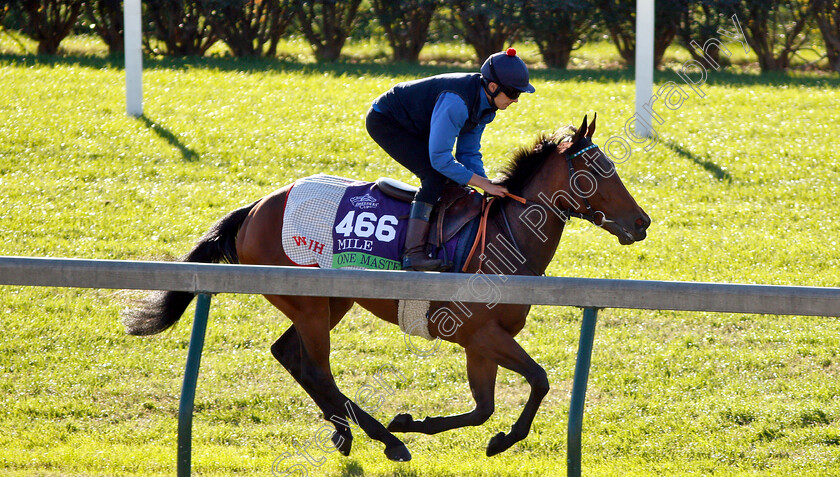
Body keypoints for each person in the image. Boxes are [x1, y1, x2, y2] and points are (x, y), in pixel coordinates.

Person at [366, 48, 535, 271]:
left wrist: (487, 186)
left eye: (519, 94)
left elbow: (468, 154)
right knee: (435, 177)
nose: (515, 100)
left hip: (417, 122)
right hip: (386, 120)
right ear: (493, 86)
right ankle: (413, 254)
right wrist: (483, 183)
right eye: (513, 93)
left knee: (454, 178)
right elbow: (440, 159)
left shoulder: (487, 106)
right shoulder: (457, 102)